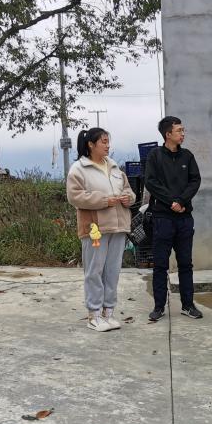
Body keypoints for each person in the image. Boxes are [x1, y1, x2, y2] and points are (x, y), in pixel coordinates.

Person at [66, 127, 136, 332]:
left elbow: (129, 191)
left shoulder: (114, 168)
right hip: (95, 227)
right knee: (94, 271)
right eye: (103, 141)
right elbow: (75, 196)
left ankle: (108, 313)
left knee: (112, 271)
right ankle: (94, 315)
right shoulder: (79, 169)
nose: (107, 145)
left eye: (108, 141)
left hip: (118, 226)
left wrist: (128, 198)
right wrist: (104, 200)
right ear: (91, 144)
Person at [144, 115, 203, 321]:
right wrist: (172, 202)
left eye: (183, 130)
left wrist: (181, 201)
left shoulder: (187, 156)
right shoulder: (155, 156)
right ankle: (159, 306)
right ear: (168, 134)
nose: (183, 134)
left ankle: (188, 305)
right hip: (162, 218)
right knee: (160, 265)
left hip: (184, 218)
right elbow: (151, 182)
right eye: (179, 130)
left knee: (185, 263)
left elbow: (195, 180)